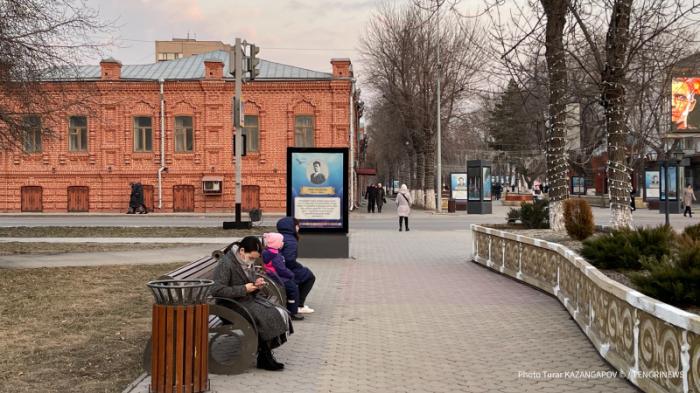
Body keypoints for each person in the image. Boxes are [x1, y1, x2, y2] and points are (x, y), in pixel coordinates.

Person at [210, 236, 292, 371]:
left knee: (276, 311)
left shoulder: (244, 260)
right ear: (242, 250)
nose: (253, 261)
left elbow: (248, 280)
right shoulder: (226, 263)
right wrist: (244, 289)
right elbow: (216, 290)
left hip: (244, 300)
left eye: (255, 258)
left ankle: (265, 354)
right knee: (264, 315)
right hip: (229, 306)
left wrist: (256, 284)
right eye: (252, 258)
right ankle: (265, 357)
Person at [276, 217, 316, 314]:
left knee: (304, 273)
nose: (298, 228)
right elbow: (289, 260)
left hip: (277, 267)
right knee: (310, 277)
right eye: (297, 225)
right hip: (285, 269)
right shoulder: (291, 240)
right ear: (292, 227)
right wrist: (298, 267)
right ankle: (299, 305)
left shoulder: (279, 236)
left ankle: (295, 301)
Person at [262, 232, 304, 321]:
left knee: (292, 285)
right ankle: (293, 312)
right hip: (277, 277)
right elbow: (281, 270)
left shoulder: (268, 252)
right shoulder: (275, 255)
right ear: (276, 243)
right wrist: (291, 274)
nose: (283, 243)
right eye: (281, 241)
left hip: (272, 275)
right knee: (293, 289)